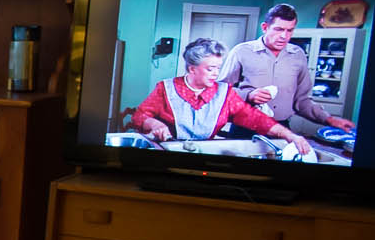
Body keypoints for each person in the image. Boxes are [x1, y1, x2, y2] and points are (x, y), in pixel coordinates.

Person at [130, 37, 313, 156]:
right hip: (169, 154)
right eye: (210, 68)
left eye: (218, 67)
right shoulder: (165, 88)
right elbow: (140, 116)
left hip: (205, 155)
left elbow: (256, 119)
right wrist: (155, 124)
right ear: (192, 69)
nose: (216, 73)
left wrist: (289, 135)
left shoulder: (225, 93)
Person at [220, 4, 357, 135]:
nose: (284, 36)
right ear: (265, 27)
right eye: (279, 29)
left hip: (282, 128)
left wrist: (329, 119)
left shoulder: (298, 55)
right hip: (245, 126)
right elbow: (220, 90)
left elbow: (301, 100)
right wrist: (248, 95)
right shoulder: (241, 51)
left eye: (289, 30)